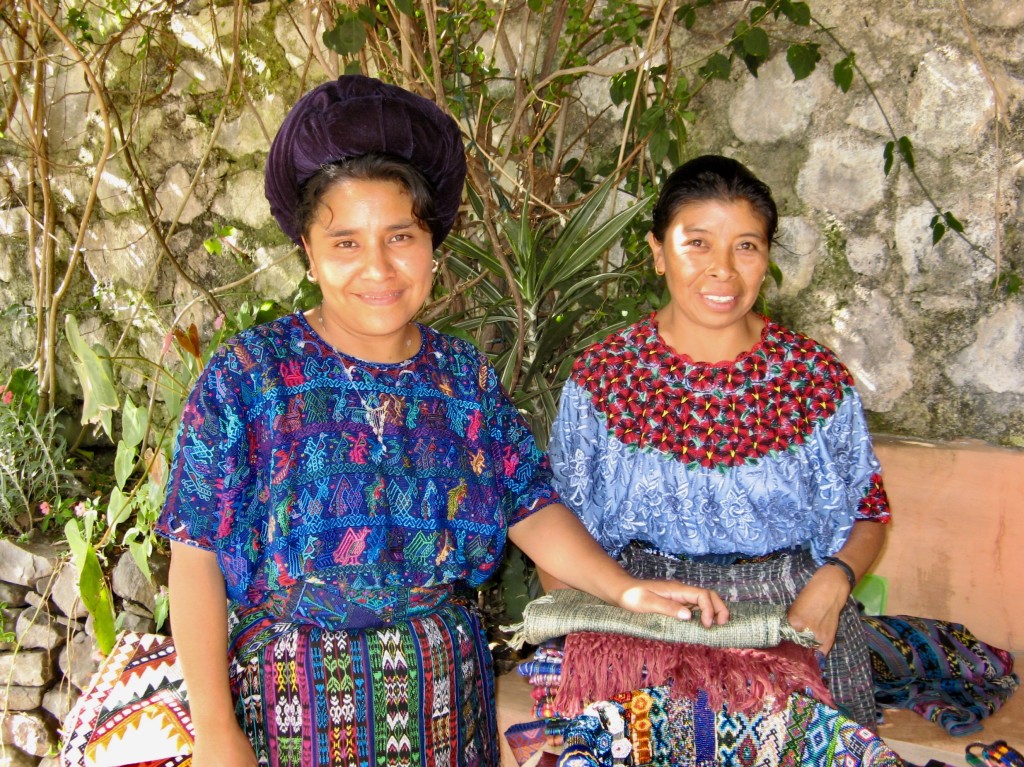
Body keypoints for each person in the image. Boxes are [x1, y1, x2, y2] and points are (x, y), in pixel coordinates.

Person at [156, 75, 729, 767]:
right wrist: (216, 731)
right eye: (345, 243)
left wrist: (623, 587)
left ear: (433, 246)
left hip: (445, 704)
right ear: (308, 253)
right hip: (296, 709)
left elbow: (529, 502)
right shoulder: (249, 375)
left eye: (400, 235)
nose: (378, 267)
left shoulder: (462, 378)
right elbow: (196, 555)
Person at [544, 154, 891, 726]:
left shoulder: (812, 375)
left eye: (746, 246)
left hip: (793, 628)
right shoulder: (604, 376)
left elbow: (868, 510)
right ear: (658, 253)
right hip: (644, 628)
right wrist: (581, 644)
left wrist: (836, 581)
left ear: (767, 259)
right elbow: (560, 525)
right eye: (698, 243)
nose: (723, 270)